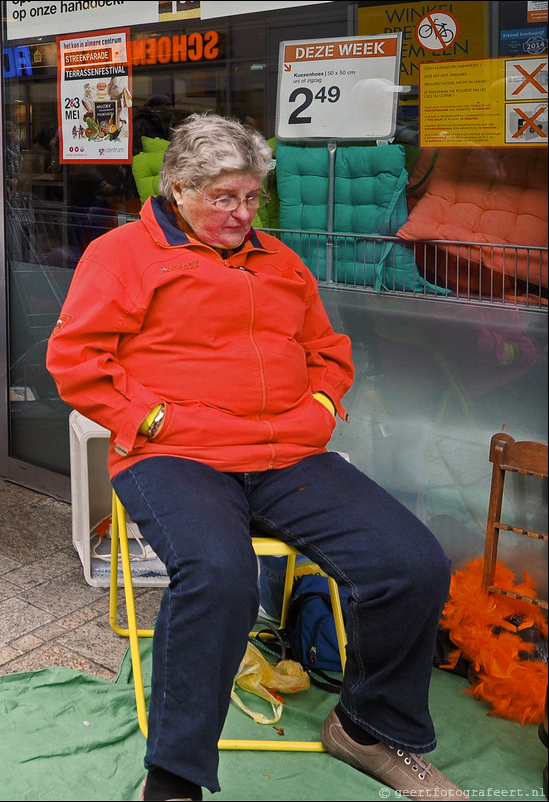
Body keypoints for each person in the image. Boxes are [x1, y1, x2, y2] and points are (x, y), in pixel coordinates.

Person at [45, 114, 463, 801]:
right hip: (173, 455)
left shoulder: (279, 260)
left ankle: (365, 727)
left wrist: (322, 410)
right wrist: (150, 419)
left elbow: (328, 352)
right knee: (218, 576)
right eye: (224, 199)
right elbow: (76, 360)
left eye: (251, 197)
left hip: (285, 452)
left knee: (410, 564)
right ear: (178, 189)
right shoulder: (123, 253)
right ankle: (175, 779)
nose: (244, 214)